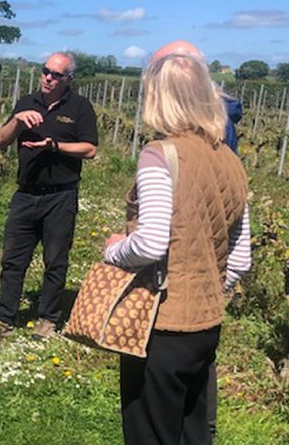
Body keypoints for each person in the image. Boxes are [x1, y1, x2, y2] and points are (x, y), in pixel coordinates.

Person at [103, 43, 252, 444]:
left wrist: (114, 249)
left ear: (157, 96)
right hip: (207, 323)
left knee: (150, 431)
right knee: (193, 430)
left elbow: (151, 243)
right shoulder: (230, 160)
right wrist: (207, 289)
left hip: (161, 326)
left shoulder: (160, 154)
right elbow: (241, 258)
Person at [0, 51, 98, 340]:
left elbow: (90, 149)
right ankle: (4, 317)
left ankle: (48, 318)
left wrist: (55, 145)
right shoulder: (27, 102)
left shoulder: (79, 107)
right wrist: (17, 120)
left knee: (55, 259)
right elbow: (1, 141)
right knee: (12, 259)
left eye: (56, 75)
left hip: (60, 196)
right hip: (26, 194)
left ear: (69, 79)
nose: (48, 78)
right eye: (45, 71)